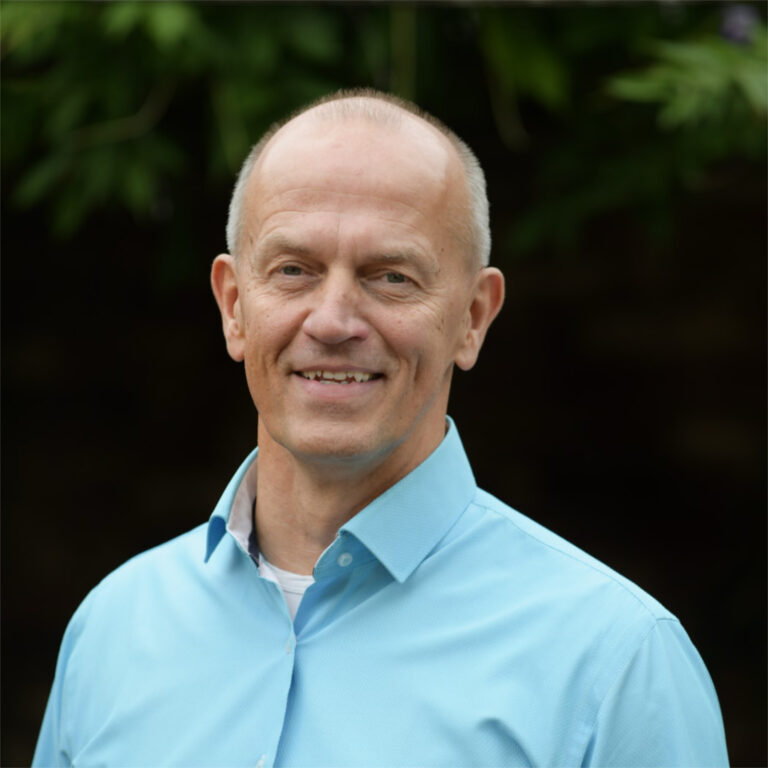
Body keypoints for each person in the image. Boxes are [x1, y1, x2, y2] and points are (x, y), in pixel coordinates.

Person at [33, 89, 729, 768]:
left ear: (473, 318)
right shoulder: (112, 629)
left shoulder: (615, 666)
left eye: (391, 277)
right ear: (234, 306)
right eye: (293, 270)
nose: (333, 321)